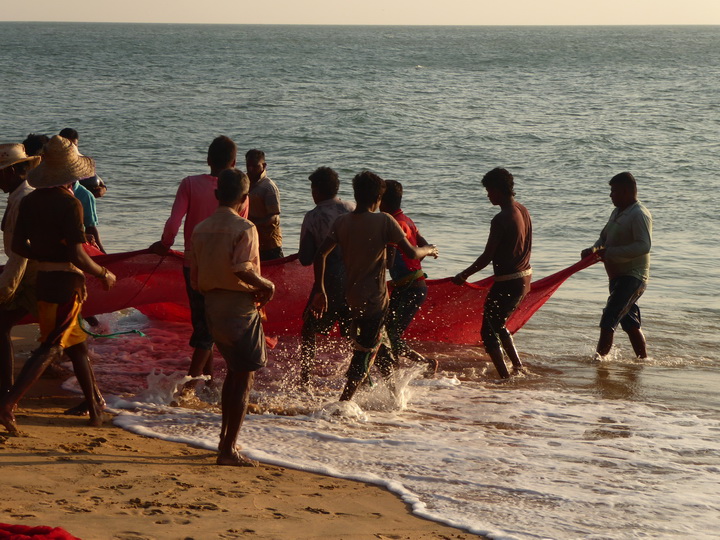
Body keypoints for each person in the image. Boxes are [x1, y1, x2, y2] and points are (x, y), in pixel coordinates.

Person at [0, 136, 116, 434]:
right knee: (51, 346)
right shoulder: (70, 203)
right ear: (72, 173)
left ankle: (94, 407)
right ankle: (8, 403)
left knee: (76, 345)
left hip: (44, 281)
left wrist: (45, 253)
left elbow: (18, 247)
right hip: (67, 282)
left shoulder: (30, 200)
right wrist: (103, 274)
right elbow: (78, 254)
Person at [311, 171, 438, 402]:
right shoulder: (384, 221)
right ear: (378, 199)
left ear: (356, 194)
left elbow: (320, 256)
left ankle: (395, 397)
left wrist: (320, 291)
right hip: (375, 301)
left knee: (377, 346)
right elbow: (410, 253)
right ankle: (344, 403)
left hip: (350, 299)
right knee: (365, 351)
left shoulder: (342, 222)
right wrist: (428, 250)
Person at [189, 168, 274, 466]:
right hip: (238, 308)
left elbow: (194, 278)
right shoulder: (245, 227)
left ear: (216, 195)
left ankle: (225, 444)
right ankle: (228, 450)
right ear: (245, 198)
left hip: (211, 306)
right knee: (243, 378)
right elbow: (242, 267)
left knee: (234, 374)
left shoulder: (200, 228)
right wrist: (267, 285)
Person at [150, 135, 241, 394]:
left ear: (208, 160)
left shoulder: (190, 184)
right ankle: (209, 381)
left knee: (203, 323)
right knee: (207, 324)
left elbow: (174, 222)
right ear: (233, 162)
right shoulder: (240, 193)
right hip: (226, 268)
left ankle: (189, 386)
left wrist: (165, 245)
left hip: (194, 265)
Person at [452, 168, 532, 379]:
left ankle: (505, 377)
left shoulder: (501, 218)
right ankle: (518, 366)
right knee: (498, 325)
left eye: (489, 190)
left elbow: (487, 256)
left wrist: (463, 275)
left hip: (508, 283)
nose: (488, 195)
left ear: (498, 190)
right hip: (524, 280)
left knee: (488, 332)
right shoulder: (522, 210)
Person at [580, 172, 652, 359]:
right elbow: (604, 238)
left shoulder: (639, 214)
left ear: (626, 191)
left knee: (609, 318)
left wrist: (610, 253)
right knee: (630, 324)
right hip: (617, 276)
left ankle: (599, 362)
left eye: (614, 191)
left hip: (633, 276)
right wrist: (593, 249)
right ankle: (643, 361)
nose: (610, 195)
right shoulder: (617, 212)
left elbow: (644, 246)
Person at [297, 167, 354, 384]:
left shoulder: (313, 216)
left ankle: (305, 378)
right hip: (355, 281)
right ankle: (358, 376)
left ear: (317, 191)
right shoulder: (353, 208)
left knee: (309, 329)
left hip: (328, 282)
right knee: (355, 334)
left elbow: (305, 258)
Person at [378, 180, 438, 376]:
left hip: (411, 287)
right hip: (412, 284)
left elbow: (389, 261)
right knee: (388, 331)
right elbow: (423, 244)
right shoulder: (408, 220)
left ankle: (426, 363)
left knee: (392, 335)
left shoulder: (394, 224)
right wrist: (429, 251)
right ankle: (394, 367)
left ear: (382, 202)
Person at [0, 143, 41, 396]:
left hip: (32, 277)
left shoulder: (22, 199)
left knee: (62, 341)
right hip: (29, 274)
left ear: (10, 172)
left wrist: (6, 288)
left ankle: (6, 390)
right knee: (67, 342)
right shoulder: (20, 195)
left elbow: (20, 253)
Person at [58, 129, 106, 253]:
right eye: (69, 145)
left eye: (75, 145)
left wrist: (101, 252)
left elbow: (90, 227)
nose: (72, 149)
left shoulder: (84, 196)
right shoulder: (46, 185)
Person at [245, 149, 283, 261]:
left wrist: (252, 225)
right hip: (251, 240)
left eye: (255, 166)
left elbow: (274, 217)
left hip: (269, 242)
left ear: (264, 165)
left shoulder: (269, 187)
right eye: (248, 166)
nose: (251, 169)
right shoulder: (244, 183)